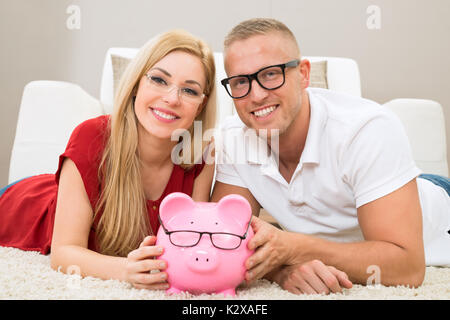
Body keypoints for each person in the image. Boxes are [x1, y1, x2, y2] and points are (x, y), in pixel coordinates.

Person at [211, 18, 450, 295]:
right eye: (241, 82)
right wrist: (281, 268)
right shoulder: (233, 139)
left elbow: (408, 267)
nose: (257, 95)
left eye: (271, 74)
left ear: (303, 74)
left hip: (438, 206)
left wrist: (294, 247)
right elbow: (226, 241)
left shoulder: (366, 128)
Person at [0, 29, 217, 290]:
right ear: (137, 83)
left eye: (190, 91)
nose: (172, 98)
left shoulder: (202, 154)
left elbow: (190, 245)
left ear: (201, 105)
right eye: (159, 80)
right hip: (25, 203)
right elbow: (63, 254)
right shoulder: (91, 136)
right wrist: (126, 270)